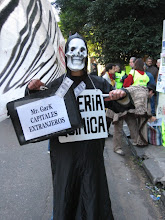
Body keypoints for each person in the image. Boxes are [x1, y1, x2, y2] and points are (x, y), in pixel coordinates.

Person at [26, 33, 134, 219]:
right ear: (66, 54)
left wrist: (122, 94)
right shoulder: (55, 86)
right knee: (66, 192)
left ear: (86, 55)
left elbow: (119, 104)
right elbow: (33, 112)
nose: (77, 54)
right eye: (73, 49)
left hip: (91, 153)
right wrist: (31, 90)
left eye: (81, 50)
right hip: (64, 153)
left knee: (92, 192)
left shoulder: (98, 83)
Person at [103, 63, 116, 136]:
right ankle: (105, 131)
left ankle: (107, 131)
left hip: (111, 99)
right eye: (113, 68)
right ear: (109, 69)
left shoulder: (112, 77)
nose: (115, 70)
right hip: (107, 100)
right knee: (106, 117)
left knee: (109, 117)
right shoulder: (105, 78)